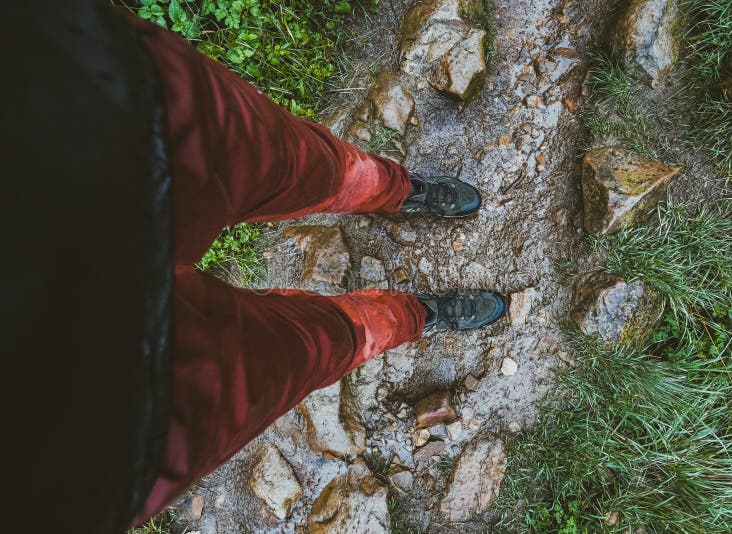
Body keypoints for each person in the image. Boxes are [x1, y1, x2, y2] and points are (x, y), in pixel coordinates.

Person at [2, 2, 506, 532]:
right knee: (311, 349)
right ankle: (414, 315)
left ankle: (395, 190)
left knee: (294, 161)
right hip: (82, 424)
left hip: (75, 101)